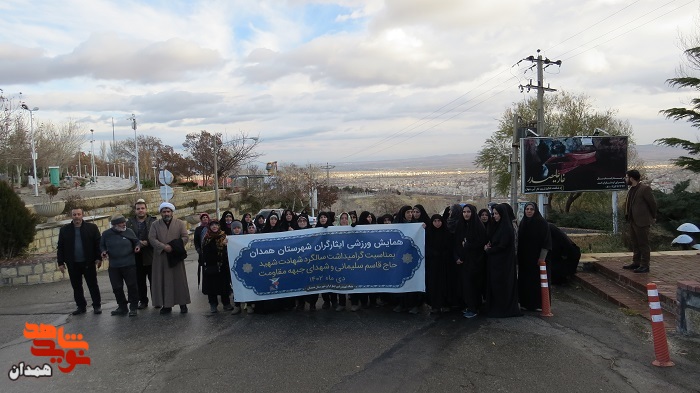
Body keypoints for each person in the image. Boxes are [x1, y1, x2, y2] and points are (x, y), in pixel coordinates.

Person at [57, 208, 103, 315]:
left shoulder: (92, 228)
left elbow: (98, 244)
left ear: (82, 215)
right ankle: (81, 306)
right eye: (74, 214)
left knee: (93, 285)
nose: (76, 216)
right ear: (71, 216)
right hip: (73, 263)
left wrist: (99, 258)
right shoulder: (65, 230)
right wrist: (60, 262)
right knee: (76, 286)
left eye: (78, 214)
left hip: (89, 262)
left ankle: (97, 305)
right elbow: (60, 247)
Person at [149, 202, 190, 314]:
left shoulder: (180, 223)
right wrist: (164, 247)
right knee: (163, 281)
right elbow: (152, 239)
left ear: (172, 212)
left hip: (175, 256)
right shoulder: (155, 225)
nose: (166, 213)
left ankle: (183, 304)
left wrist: (173, 246)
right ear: (161, 213)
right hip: (161, 257)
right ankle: (166, 305)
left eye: (168, 211)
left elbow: (185, 237)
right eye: (164, 211)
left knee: (179, 281)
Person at [483, 204, 521, 318]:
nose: (494, 216)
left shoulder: (507, 228)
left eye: (496, 214)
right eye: (493, 213)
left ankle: (502, 309)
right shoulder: (499, 226)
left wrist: (488, 250)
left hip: (503, 264)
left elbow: (503, 246)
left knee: (502, 286)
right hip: (496, 262)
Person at [101, 214, 141, 317]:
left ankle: (133, 307)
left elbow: (136, 241)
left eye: (124, 222)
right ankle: (122, 307)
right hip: (114, 266)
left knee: (132, 286)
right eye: (121, 223)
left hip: (129, 264)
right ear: (114, 225)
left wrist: (137, 246)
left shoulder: (129, 232)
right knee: (117, 287)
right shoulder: (106, 234)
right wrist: (103, 252)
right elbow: (102, 246)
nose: (124, 224)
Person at [517, 202, 552, 311]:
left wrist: (542, 258)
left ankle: (539, 304)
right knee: (525, 281)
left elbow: (546, 242)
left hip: (537, 259)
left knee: (537, 282)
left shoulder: (541, 223)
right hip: (525, 259)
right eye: (527, 209)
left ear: (535, 210)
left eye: (531, 209)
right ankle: (526, 303)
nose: (529, 211)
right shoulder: (523, 222)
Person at [455, 204, 488, 318]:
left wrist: (468, 245)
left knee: (473, 286)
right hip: (464, 261)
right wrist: (458, 257)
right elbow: (457, 243)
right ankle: (470, 306)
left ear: (473, 213)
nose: (466, 214)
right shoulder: (461, 225)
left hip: (475, 262)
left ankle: (474, 308)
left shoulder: (478, 226)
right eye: (464, 212)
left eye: (468, 212)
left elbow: (481, 243)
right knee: (466, 285)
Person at [622, 169, 658, 273]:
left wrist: (653, 216)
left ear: (632, 178)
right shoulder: (631, 189)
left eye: (626, 177)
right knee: (635, 243)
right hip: (632, 220)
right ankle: (636, 262)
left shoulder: (644, 189)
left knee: (643, 244)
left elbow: (653, 204)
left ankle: (645, 265)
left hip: (642, 221)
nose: (625, 179)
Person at [126, 199, 157, 309]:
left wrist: (148, 242)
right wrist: (137, 243)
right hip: (136, 256)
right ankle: (143, 301)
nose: (140, 211)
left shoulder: (154, 221)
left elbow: (157, 236)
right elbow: (127, 237)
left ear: (146, 209)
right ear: (135, 210)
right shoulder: (129, 222)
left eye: (142, 208)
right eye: (138, 209)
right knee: (140, 281)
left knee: (154, 281)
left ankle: (157, 301)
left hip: (151, 255)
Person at [201, 220, 235, 313]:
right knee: (211, 287)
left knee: (224, 285)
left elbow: (228, 252)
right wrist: (220, 247)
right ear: (209, 227)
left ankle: (226, 303)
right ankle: (213, 304)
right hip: (211, 266)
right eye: (212, 225)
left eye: (216, 225)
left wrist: (224, 246)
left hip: (223, 266)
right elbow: (206, 254)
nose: (214, 227)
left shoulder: (224, 237)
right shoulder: (207, 238)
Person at [425, 214, 452, 313]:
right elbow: (426, 247)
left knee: (444, 283)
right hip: (432, 263)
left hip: (444, 263)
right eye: (435, 221)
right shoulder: (428, 233)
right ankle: (435, 305)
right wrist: (433, 253)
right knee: (433, 284)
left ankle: (445, 303)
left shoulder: (446, 232)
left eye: (439, 221)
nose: (437, 223)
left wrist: (443, 254)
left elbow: (450, 247)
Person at [193, 213, 210, 288]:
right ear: (201, 219)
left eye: (206, 217)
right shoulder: (198, 229)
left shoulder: (212, 227)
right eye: (203, 218)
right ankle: (205, 287)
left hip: (212, 252)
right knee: (204, 270)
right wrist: (198, 249)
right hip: (203, 253)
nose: (205, 218)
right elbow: (196, 241)